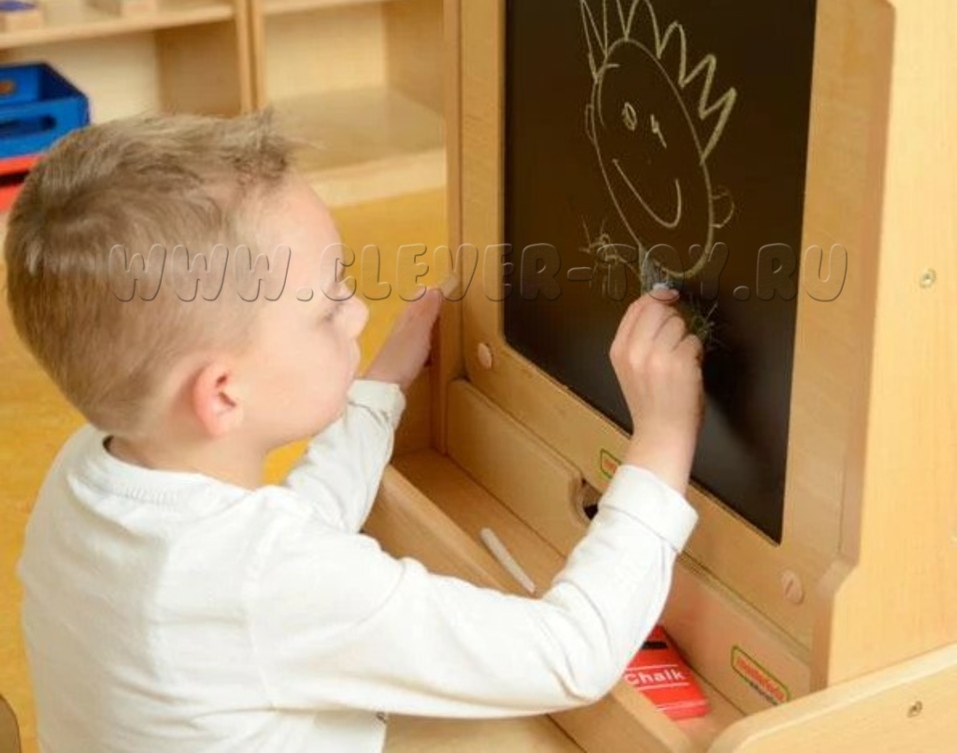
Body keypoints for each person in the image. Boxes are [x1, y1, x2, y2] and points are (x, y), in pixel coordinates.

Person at [5, 112, 704, 752]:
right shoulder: (269, 583)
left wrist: (376, 394)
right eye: (329, 304)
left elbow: (287, 530)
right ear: (222, 394)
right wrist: (661, 442)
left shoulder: (91, 469)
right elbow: (571, 654)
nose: (359, 314)